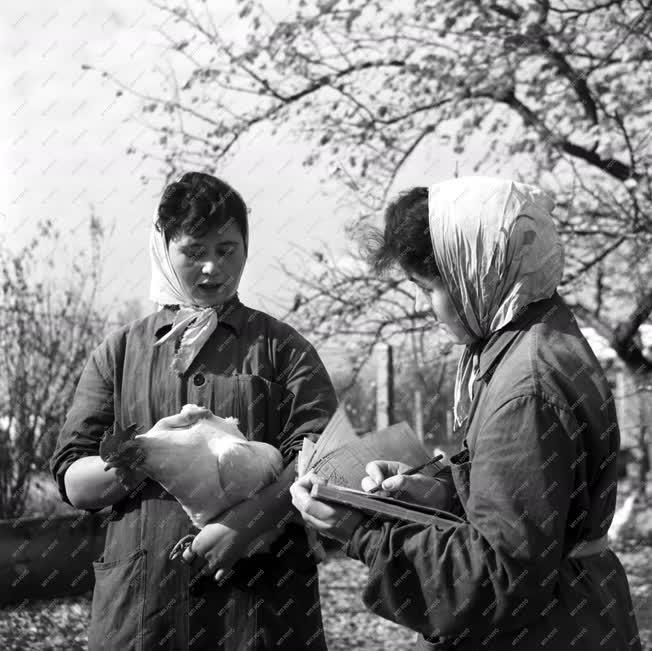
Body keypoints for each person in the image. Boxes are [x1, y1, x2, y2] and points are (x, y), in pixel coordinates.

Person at [291, 176, 642, 650]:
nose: (423, 306)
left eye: (427, 287)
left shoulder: (525, 388)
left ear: (476, 271)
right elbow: (534, 512)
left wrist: (363, 532)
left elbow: (501, 579)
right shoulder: (534, 338)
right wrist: (439, 497)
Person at [51, 172, 337, 650]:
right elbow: (74, 480)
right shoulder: (120, 353)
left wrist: (243, 526)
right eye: (194, 250)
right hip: (145, 606)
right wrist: (146, 454)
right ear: (165, 248)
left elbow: (322, 456)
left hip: (260, 604)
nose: (212, 268)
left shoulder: (281, 348)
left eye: (227, 249)